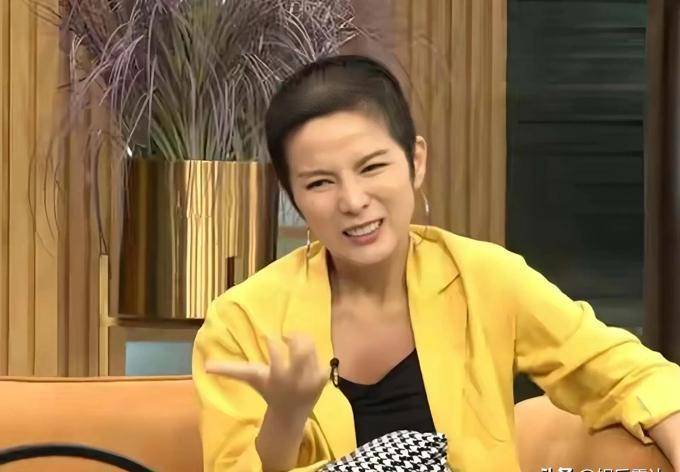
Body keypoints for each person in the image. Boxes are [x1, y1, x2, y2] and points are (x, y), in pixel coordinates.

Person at [192, 55, 680, 472]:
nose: (353, 201)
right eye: (320, 182)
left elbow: (629, 374)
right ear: (293, 196)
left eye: (372, 167)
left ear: (416, 161)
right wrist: (286, 416)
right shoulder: (241, 322)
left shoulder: (485, 278)